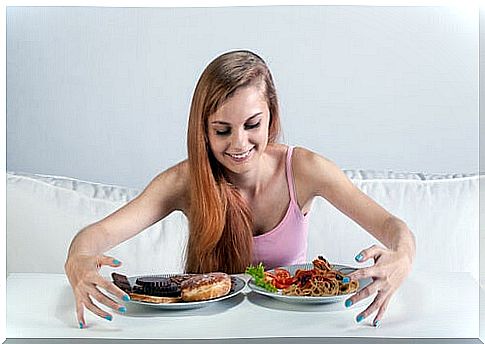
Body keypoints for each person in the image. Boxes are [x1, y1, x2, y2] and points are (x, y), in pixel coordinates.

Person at [65, 50, 416, 329]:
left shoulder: (305, 169)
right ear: (203, 130)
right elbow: (94, 236)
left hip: (289, 329)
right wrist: (78, 262)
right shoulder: (184, 181)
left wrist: (402, 257)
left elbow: (392, 227)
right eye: (222, 130)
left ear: (271, 118)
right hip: (207, 329)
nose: (239, 144)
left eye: (252, 125)